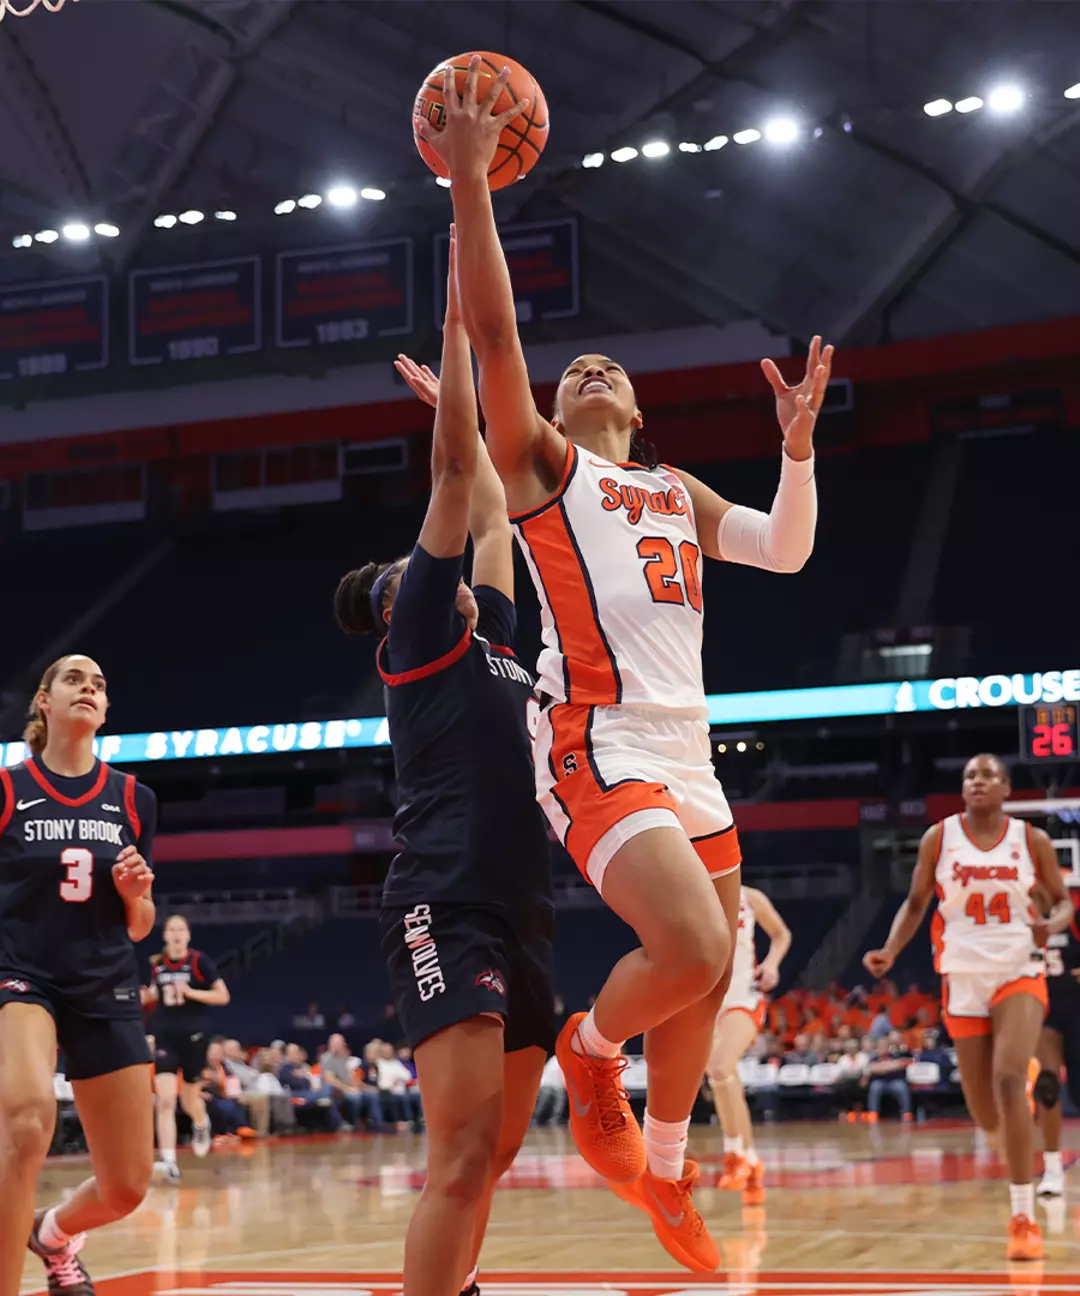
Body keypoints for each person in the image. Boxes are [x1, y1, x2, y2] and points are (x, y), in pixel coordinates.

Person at [415, 58, 830, 1274]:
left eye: (612, 372)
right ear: (552, 406)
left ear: (639, 412)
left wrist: (797, 454)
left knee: (700, 995)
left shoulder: (673, 487)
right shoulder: (550, 468)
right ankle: (593, 1056)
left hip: (687, 754)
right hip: (593, 739)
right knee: (697, 949)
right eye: (574, 369)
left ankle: (665, 1171)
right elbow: (495, 330)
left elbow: (786, 553)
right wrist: (473, 187)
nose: (589, 372)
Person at [333, 229, 554, 1296]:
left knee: (497, 1156)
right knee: (462, 1157)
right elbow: (461, 478)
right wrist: (462, 327)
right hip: (445, 901)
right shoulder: (420, 633)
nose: (446, 562)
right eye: (412, 568)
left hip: (522, 908)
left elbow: (498, 504)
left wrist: (454, 410)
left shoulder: (500, 640)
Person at [864, 752, 1071, 1261]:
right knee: (985, 1111)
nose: (978, 781)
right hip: (961, 975)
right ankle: (1017, 1105)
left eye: (989, 775)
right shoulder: (940, 837)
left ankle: (1022, 1215)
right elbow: (916, 903)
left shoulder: (1032, 840)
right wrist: (890, 950)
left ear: (1006, 789)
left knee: (1005, 1081)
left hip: (1018, 967)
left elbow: (1062, 900)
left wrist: (1054, 924)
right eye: (970, 775)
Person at [0, 654, 157, 1296]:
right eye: (74, 680)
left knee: (126, 1186)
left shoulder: (132, 798)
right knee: (27, 1122)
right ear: (45, 701)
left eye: (98, 685)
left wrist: (134, 891)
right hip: (24, 976)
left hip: (105, 982)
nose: (88, 689)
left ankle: (54, 1234)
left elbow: (142, 924)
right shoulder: (9, 788)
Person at [709, 887, 790, 1204]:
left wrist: (771, 964)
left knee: (719, 1068)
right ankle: (753, 1161)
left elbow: (781, 934)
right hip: (704, 1003)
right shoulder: (687, 892)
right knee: (725, 1082)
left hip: (743, 997)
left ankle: (734, 1156)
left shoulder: (750, 897)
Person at [143, 914, 230, 1183]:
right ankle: (169, 1161)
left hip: (194, 1036)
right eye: (172, 929)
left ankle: (201, 1124)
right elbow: (157, 995)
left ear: (188, 935)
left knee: (189, 1101)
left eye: (181, 929)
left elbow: (222, 996)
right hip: (164, 1035)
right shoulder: (157, 964)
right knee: (165, 1100)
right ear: (165, 935)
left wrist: (191, 992)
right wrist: (145, 996)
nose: (177, 934)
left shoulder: (199, 961)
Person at [1032, 858, 1080, 1197]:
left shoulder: (1075, 916)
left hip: (1076, 1007)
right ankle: (1051, 1169)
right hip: (1039, 1008)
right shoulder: (1022, 920)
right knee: (1047, 1083)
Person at [319, 1034, 385, 1130]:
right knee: (355, 1097)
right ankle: (352, 1123)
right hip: (335, 1090)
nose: (340, 1045)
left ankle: (378, 1124)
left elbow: (350, 1075)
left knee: (372, 1095)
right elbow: (330, 1079)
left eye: (341, 1043)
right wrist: (347, 1088)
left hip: (348, 1087)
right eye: (337, 1043)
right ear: (330, 1044)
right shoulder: (326, 1058)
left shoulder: (344, 1057)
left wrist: (355, 1086)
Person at [863, 1034, 913, 1121]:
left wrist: (882, 1067)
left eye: (885, 1045)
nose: (883, 1048)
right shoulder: (874, 1058)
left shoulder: (895, 1055)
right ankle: (873, 1113)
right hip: (880, 1082)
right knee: (874, 1087)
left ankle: (906, 1113)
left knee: (902, 1087)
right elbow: (872, 1068)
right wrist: (889, 1066)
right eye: (881, 1046)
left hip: (894, 1081)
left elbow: (899, 1064)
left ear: (888, 1046)